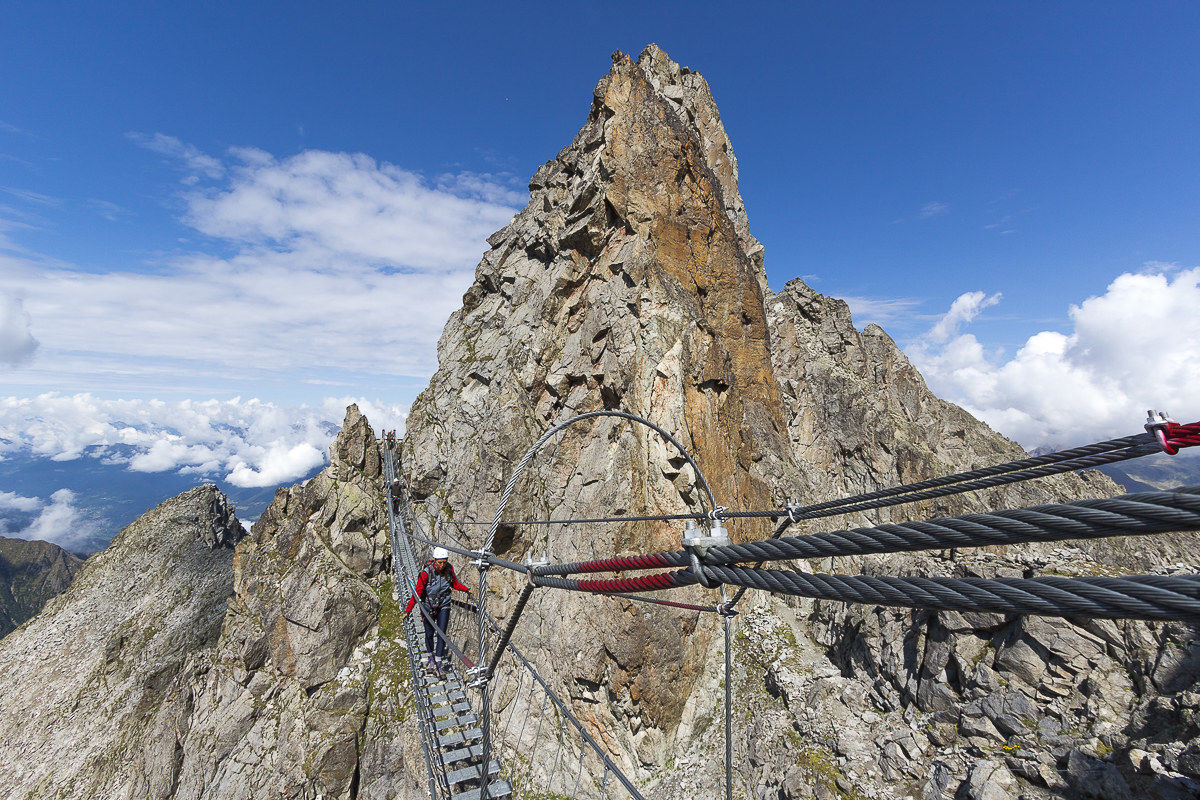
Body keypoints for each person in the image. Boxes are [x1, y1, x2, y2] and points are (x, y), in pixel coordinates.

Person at [404, 546, 470, 676]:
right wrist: (408, 610)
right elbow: (417, 593)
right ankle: (430, 659)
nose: (442, 565)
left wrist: (466, 589)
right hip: (428, 606)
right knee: (429, 634)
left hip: (444, 604)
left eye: (444, 562)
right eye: (440, 562)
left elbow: (454, 584)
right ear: (435, 561)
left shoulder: (449, 569)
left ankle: (438, 663)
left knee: (441, 634)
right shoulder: (425, 573)